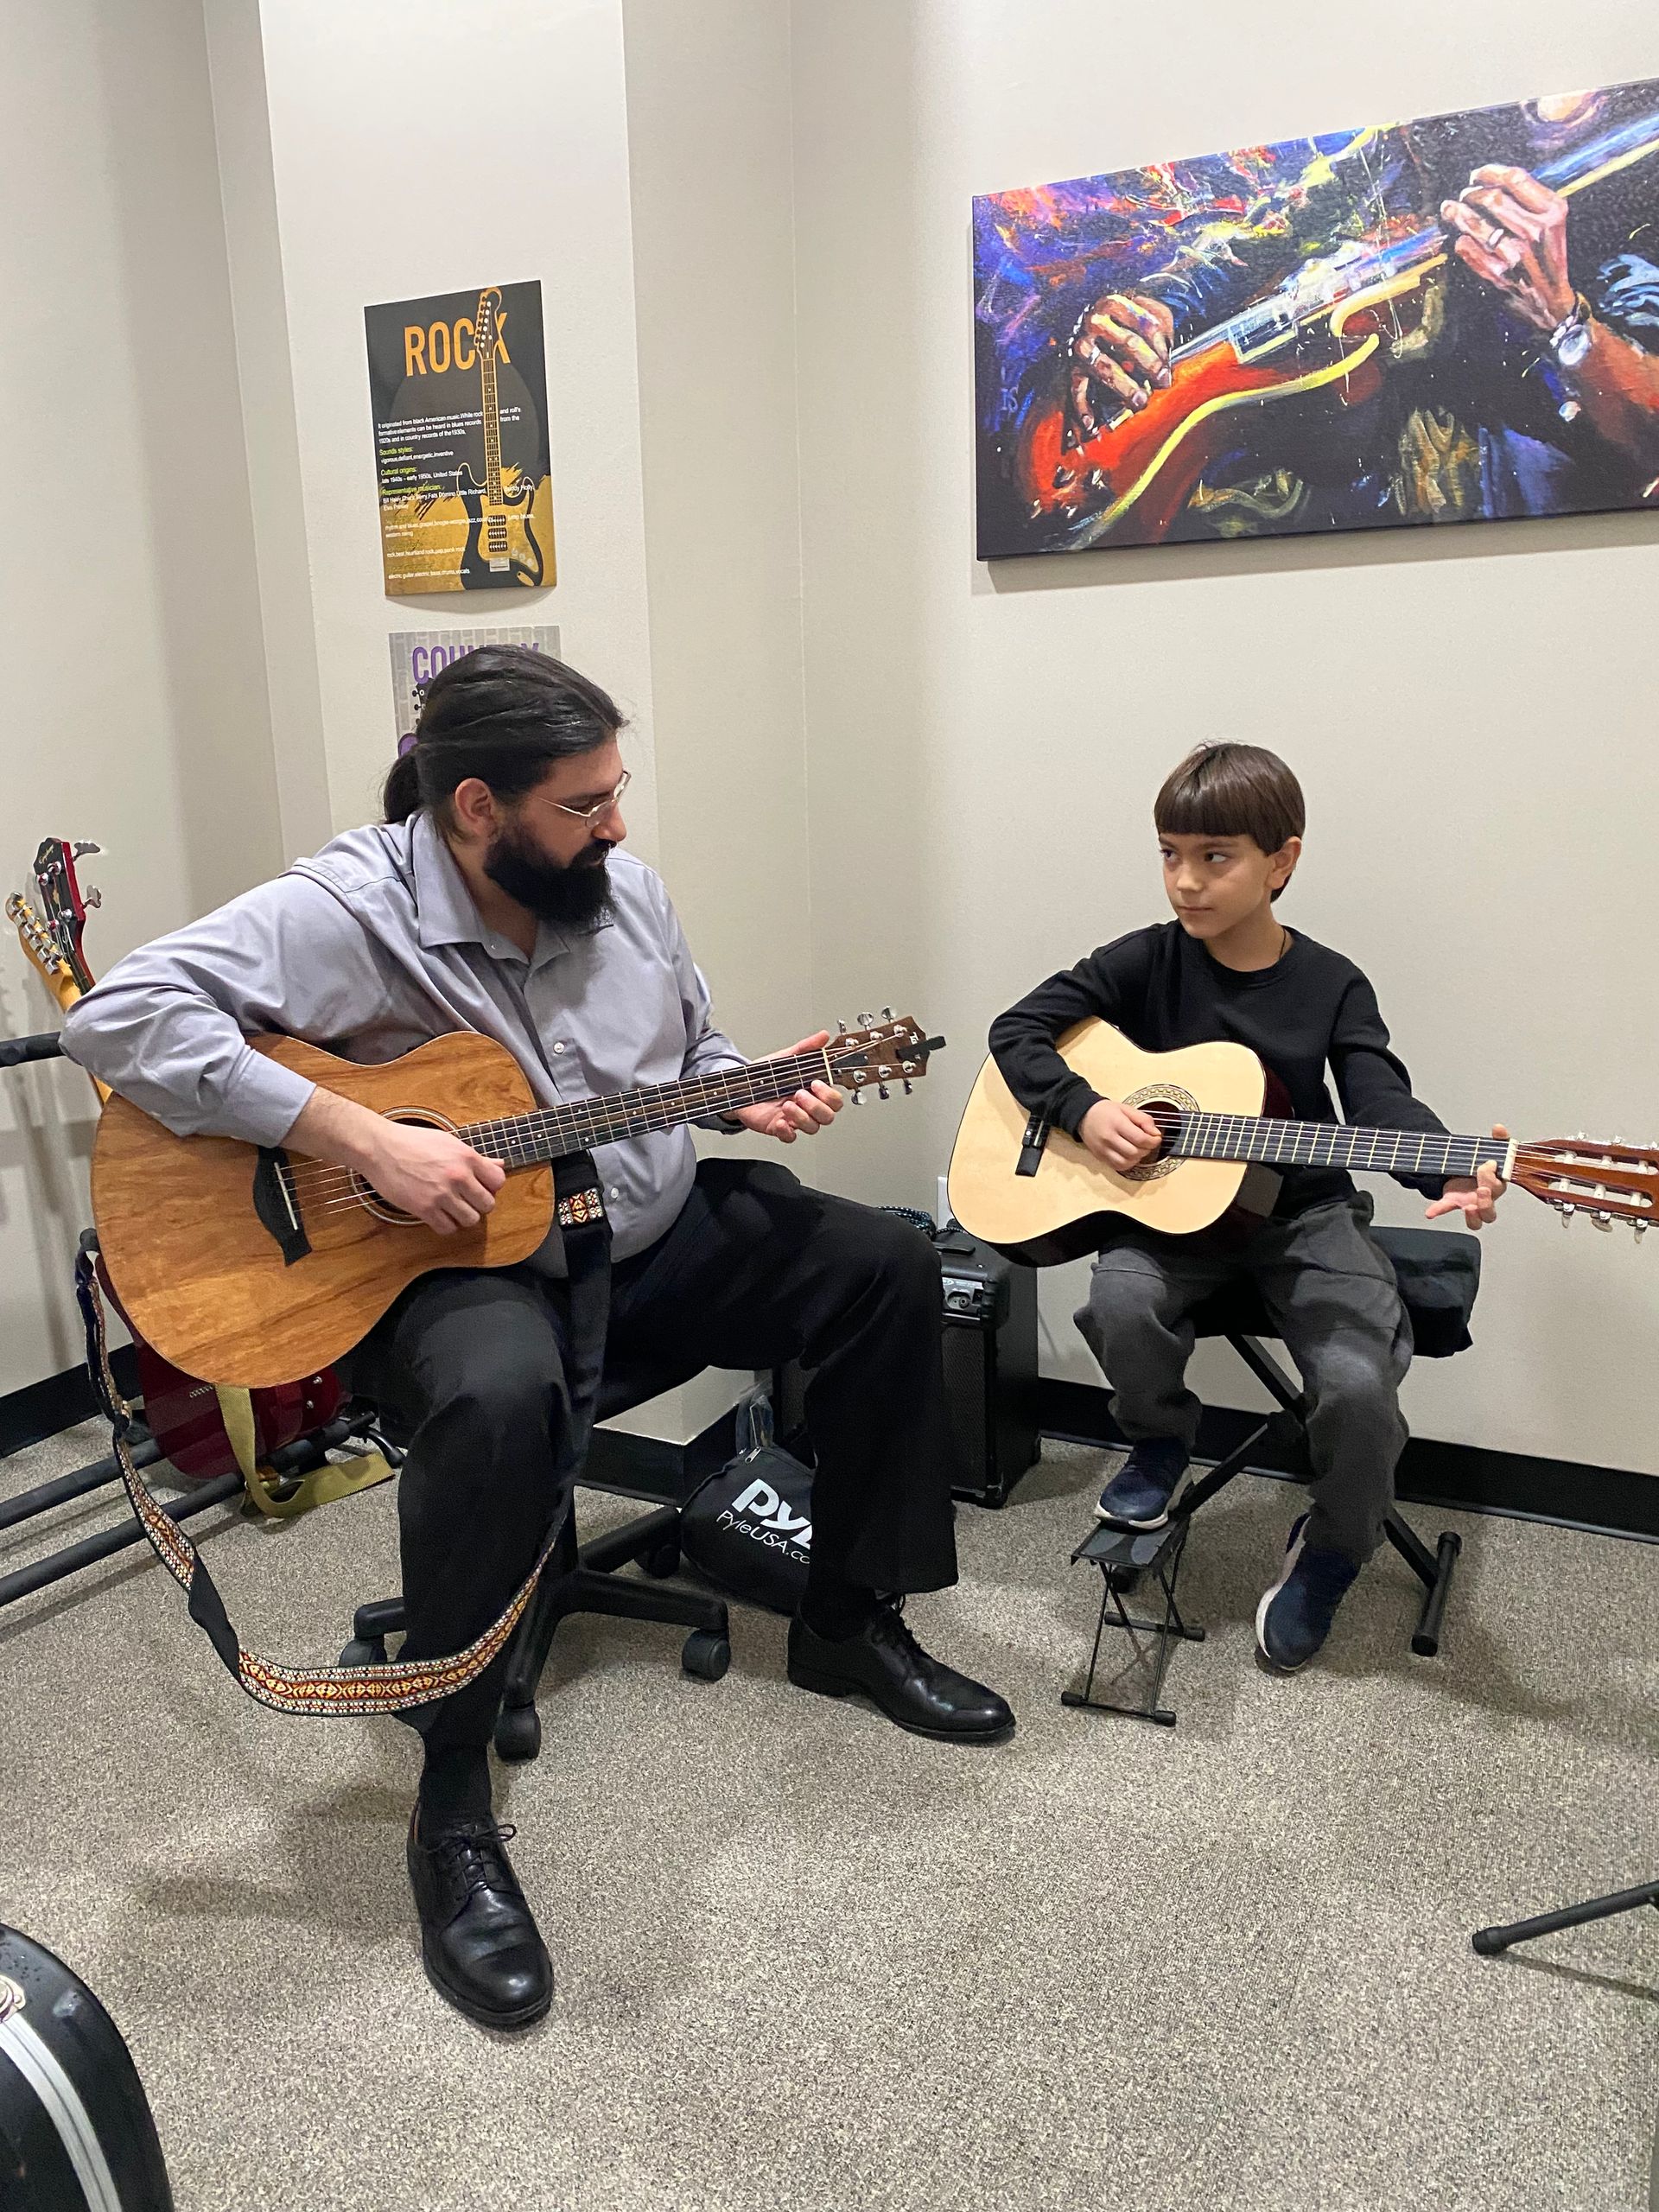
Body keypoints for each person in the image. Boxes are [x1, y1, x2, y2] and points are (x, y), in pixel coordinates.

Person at [62, 646, 1013, 2033]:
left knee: (877, 1262)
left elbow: (688, 1055)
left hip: (641, 1239)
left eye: (617, 794)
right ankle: (450, 1805)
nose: (616, 829)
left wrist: (743, 1096)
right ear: (474, 810)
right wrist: (356, 1132)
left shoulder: (629, 896)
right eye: (584, 805)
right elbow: (115, 1016)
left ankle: (849, 1618)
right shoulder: (342, 912)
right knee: (499, 1396)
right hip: (461, 1271)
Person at [987, 741, 1506, 1675]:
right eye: (1168, 853)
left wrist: (1449, 1169)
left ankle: (1334, 1545)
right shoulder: (1144, 961)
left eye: (1214, 856)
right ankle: (1158, 1442)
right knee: (1117, 1301)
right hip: (1171, 1219)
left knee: (1354, 1387)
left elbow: (1378, 1097)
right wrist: (1085, 1108)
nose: (1185, 882)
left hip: (1304, 1218)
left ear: (1283, 860)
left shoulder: (1331, 982)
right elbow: (1015, 1030)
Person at [1042, 85, 1659, 535]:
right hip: (1317, 453)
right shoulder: (1422, 134)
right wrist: (1157, 305)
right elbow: (1265, 238)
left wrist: (1565, 326)